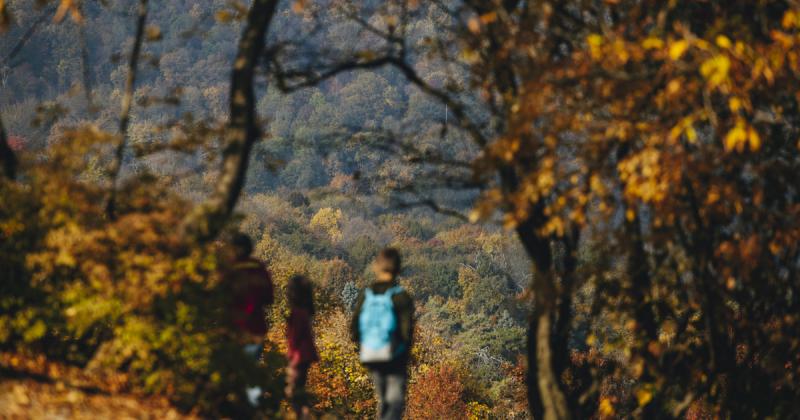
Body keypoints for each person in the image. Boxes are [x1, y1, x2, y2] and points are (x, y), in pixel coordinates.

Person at [350, 248, 414, 420]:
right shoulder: (401, 296)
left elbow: (354, 327)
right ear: (399, 269)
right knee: (394, 402)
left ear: (376, 267)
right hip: (395, 356)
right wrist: (404, 353)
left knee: (383, 400)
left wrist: (364, 345)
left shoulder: (367, 294)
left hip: (371, 354)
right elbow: (407, 331)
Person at [222, 233, 274, 406]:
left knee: (231, 372)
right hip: (256, 328)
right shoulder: (258, 267)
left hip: (233, 329)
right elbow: (269, 297)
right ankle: (253, 408)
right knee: (251, 372)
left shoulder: (229, 269)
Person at [285, 275, 319, 420]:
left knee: (294, 391)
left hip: (299, 356)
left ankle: (301, 415)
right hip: (305, 355)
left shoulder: (297, 313)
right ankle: (303, 414)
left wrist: (290, 359)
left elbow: (294, 338)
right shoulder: (306, 311)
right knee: (299, 389)